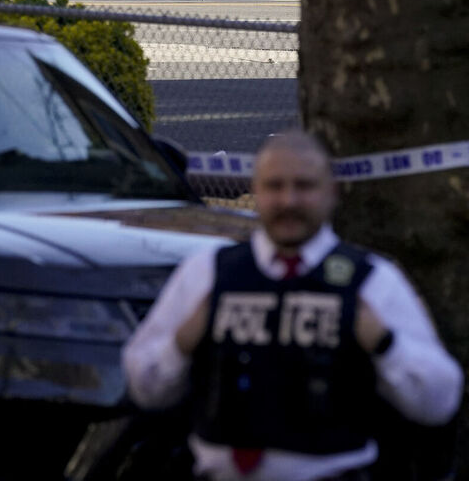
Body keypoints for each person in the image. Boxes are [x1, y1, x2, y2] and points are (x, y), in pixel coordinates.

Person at [122, 131, 462, 481]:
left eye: (304, 186)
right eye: (274, 186)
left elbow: (440, 403)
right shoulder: (207, 273)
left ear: (332, 192)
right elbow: (143, 389)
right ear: (256, 190)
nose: (289, 200)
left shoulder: (372, 281)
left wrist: (386, 344)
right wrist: (180, 343)